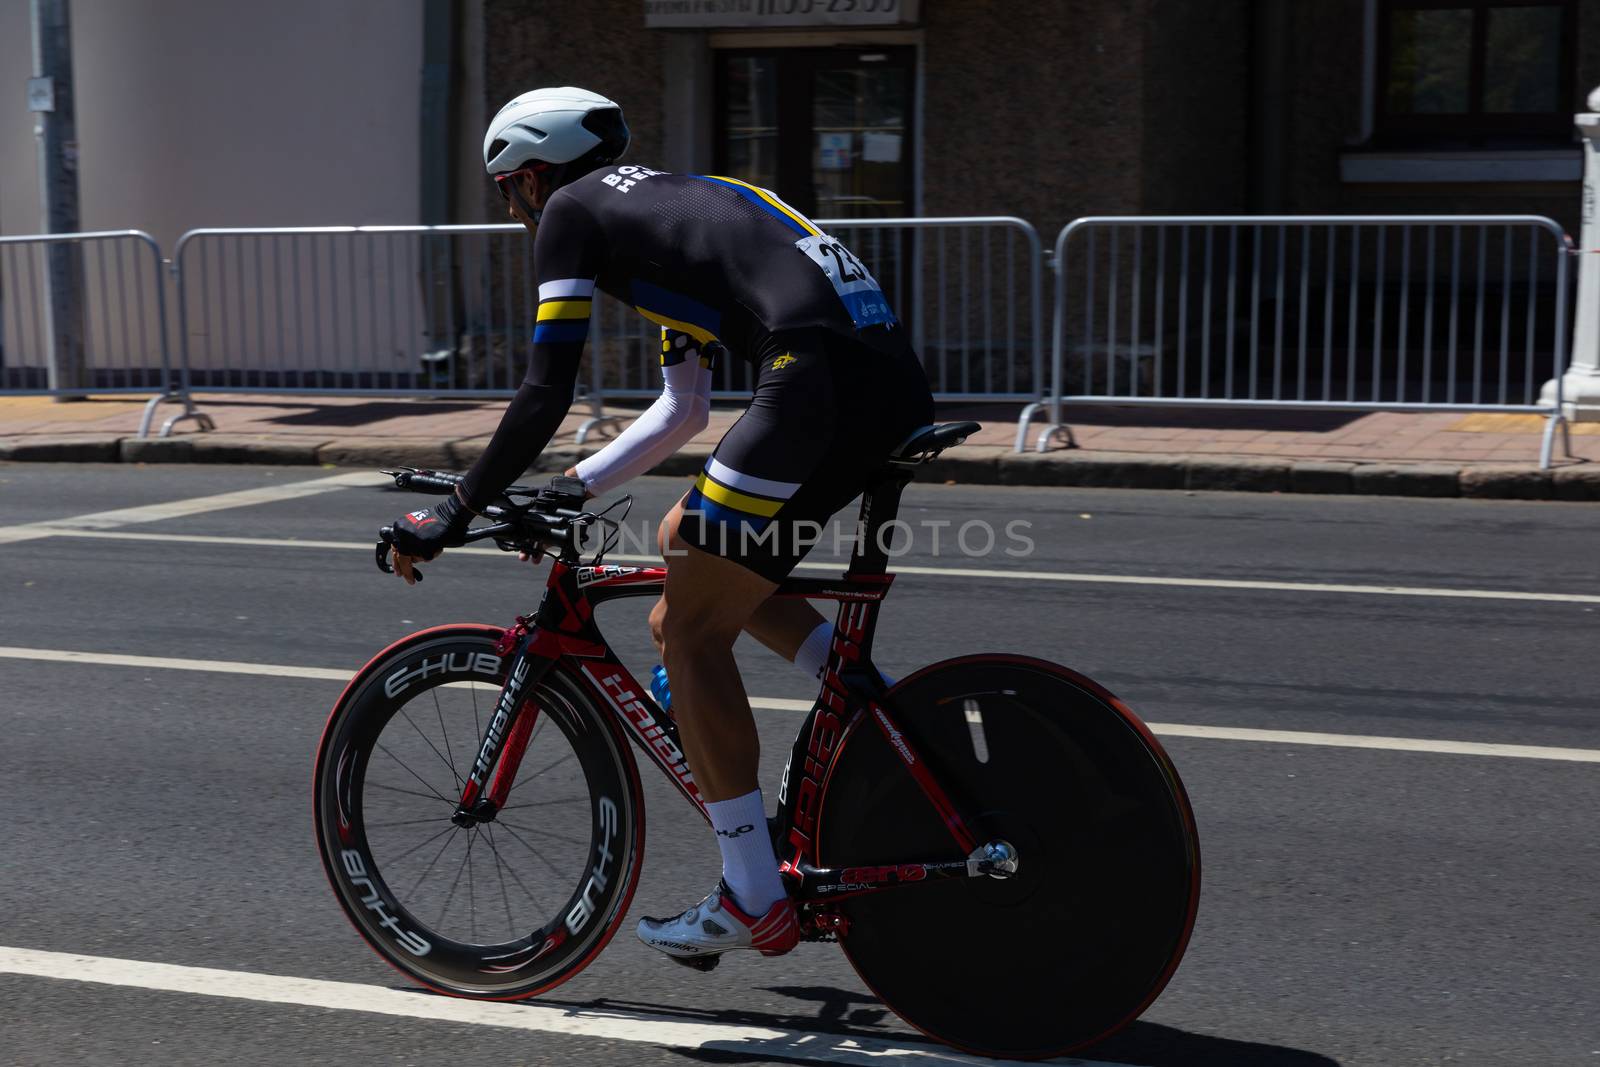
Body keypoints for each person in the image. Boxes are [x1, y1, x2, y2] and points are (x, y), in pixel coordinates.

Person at [383, 86, 933, 965]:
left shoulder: (573, 210)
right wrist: (576, 482)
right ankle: (875, 711)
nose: (520, 210)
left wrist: (453, 513)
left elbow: (543, 390)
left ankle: (752, 894)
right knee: (685, 544)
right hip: (878, 380)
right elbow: (682, 408)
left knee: (692, 636)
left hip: (813, 381)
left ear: (532, 175)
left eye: (510, 191)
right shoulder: (670, 203)